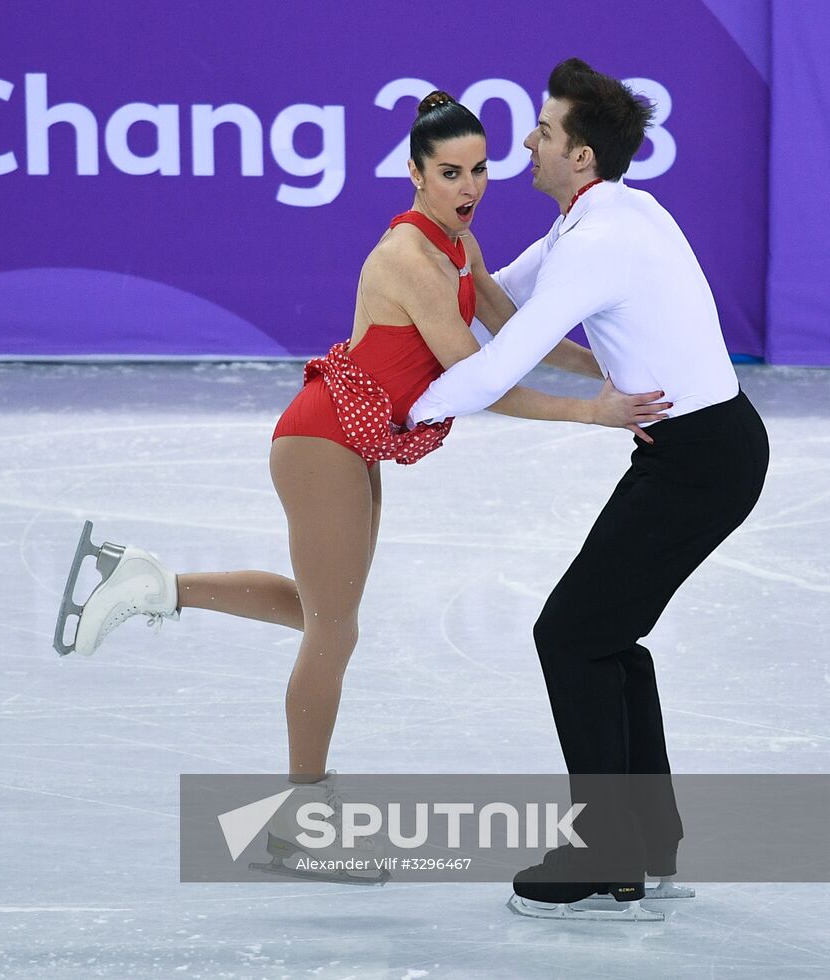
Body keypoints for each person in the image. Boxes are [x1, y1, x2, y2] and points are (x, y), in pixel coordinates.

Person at [53, 91, 666, 884]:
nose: (469, 187)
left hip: (352, 442)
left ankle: (152, 584)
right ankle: (298, 823)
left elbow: (517, 327)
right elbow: (476, 377)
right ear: (415, 174)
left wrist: (606, 361)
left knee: (323, 615)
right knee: (334, 630)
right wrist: (595, 414)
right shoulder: (407, 258)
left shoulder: (459, 245)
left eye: (479, 170)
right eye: (450, 173)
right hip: (321, 442)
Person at [405, 59, 770, 919]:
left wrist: (398, 414)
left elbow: (502, 358)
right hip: (698, 450)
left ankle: (604, 851)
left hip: (702, 461)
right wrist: (440, 266)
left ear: (579, 156)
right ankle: (646, 841)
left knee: (572, 637)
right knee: (605, 638)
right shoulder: (601, 217)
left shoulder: (604, 238)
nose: (526, 140)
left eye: (543, 128)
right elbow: (503, 300)